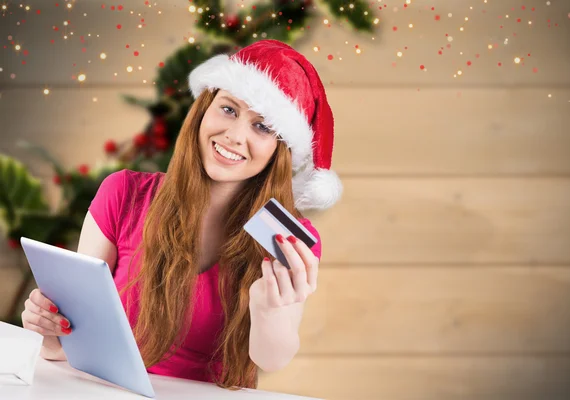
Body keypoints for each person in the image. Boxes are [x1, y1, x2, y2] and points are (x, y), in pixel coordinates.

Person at [20, 39, 343, 390]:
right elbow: (75, 340)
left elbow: (271, 359)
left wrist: (269, 307)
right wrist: (51, 333)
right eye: (229, 109)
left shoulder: (287, 240)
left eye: (262, 126)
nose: (234, 136)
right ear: (204, 109)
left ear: (280, 152)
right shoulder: (123, 195)